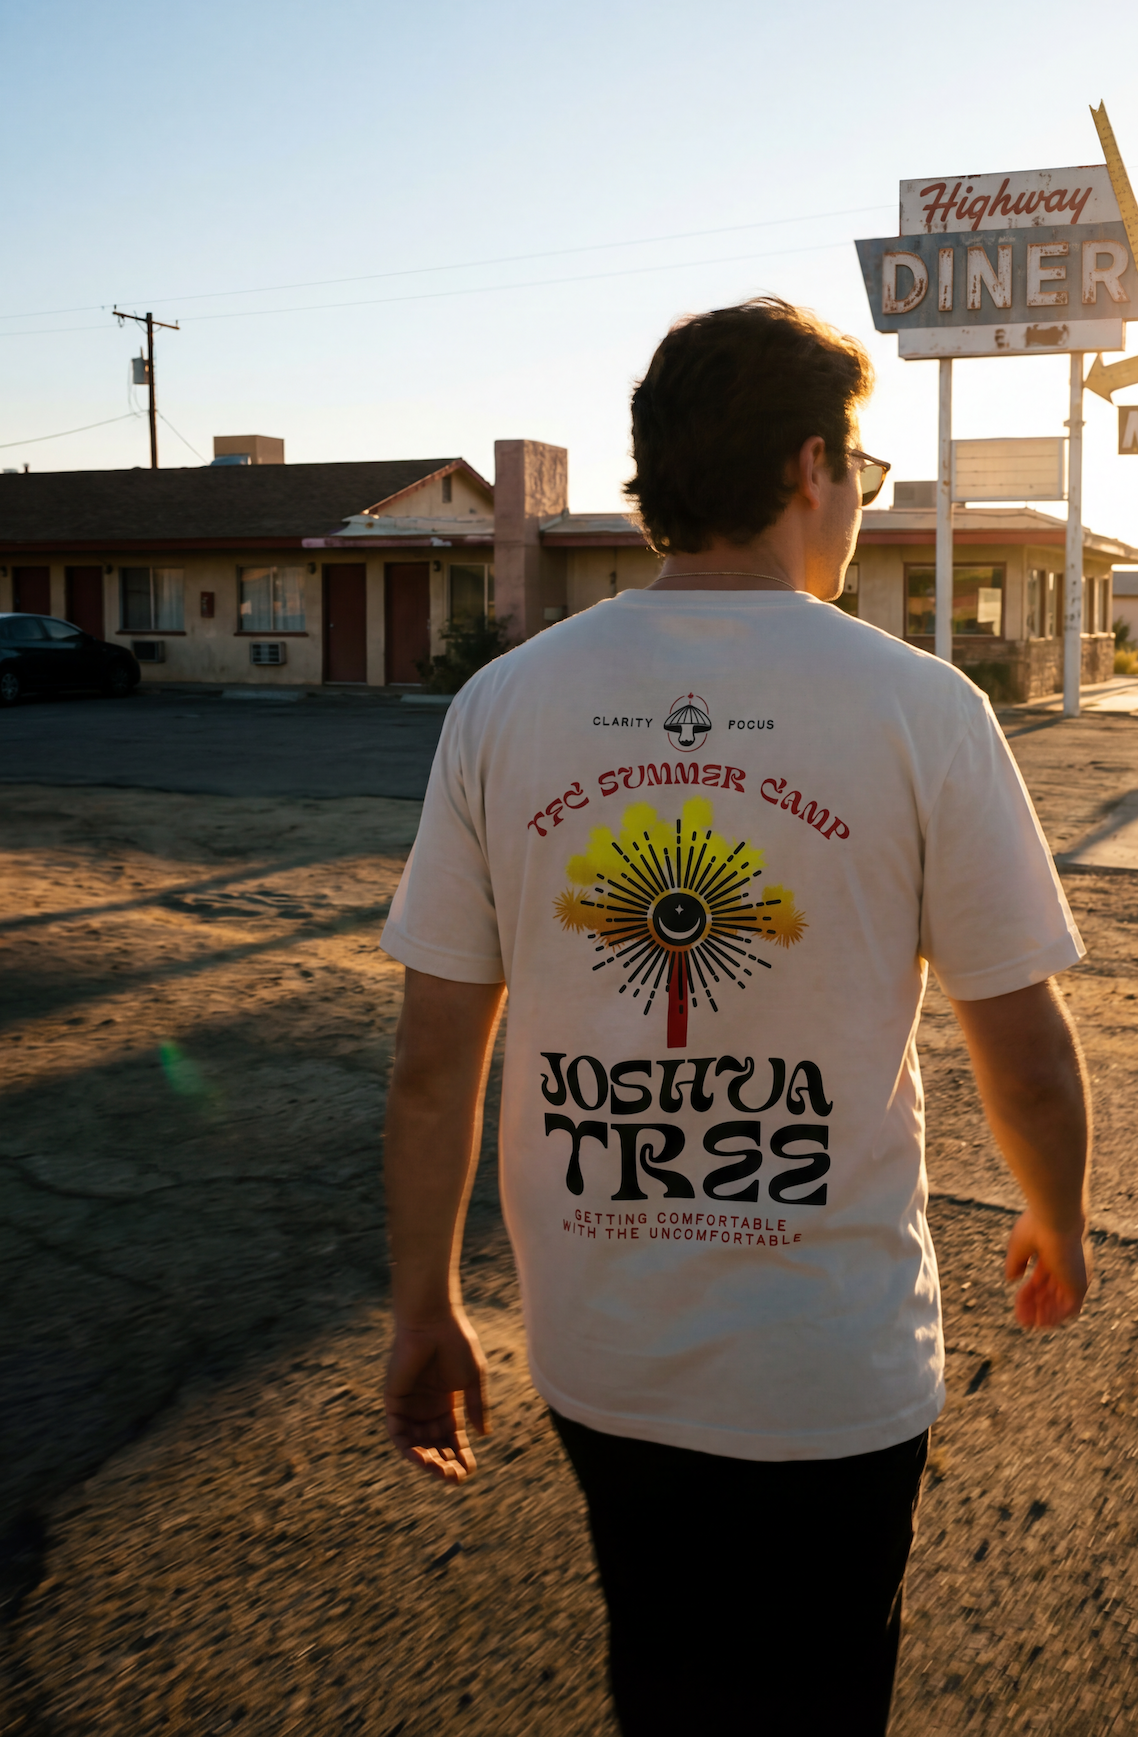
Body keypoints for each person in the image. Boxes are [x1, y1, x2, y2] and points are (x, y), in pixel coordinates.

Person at [380, 296, 1093, 1736]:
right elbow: (1018, 1041)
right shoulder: (922, 708)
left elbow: (431, 1062)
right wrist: (1056, 1216)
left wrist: (424, 1308)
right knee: (822, 1686)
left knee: (659, 1661)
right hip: (829, 1368)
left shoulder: (505, 706)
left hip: (601, 1354)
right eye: (865, 479)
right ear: (812, 467)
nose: (857, 509)